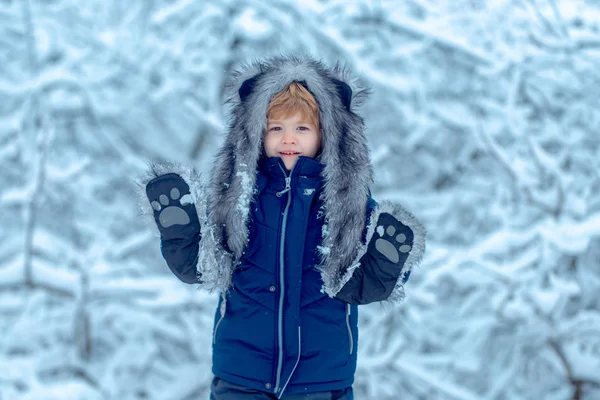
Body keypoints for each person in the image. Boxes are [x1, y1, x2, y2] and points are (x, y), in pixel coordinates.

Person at [138, 55, 426, 399]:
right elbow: (208, 268)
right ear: (256, 134)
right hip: (242, 372)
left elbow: (358, 286)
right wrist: (184, 236)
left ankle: (386, 257)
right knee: (199, 254)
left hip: (320, 377)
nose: (288, 138)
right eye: (276, 128)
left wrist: (385, 263)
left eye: (301, 128)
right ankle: (180, 231)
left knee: (367, 271)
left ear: (327, 136)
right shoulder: (239, 196)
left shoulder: (346, 206)